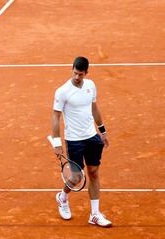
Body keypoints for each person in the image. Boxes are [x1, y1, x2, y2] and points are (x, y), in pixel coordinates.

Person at [51, 56, 112, 228]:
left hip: (92, 137)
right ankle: (62, 197)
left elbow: (94, 108)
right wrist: (57, 142)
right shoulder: (62, 91)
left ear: (86, 73)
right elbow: (55, 116)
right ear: (72, 69)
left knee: (93, 173)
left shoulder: (91, 86)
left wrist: (102, 130)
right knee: (77, 177)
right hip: (74, 140)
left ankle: (94, 214)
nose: (77, 77)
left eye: (81, 74)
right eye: (75, 73)